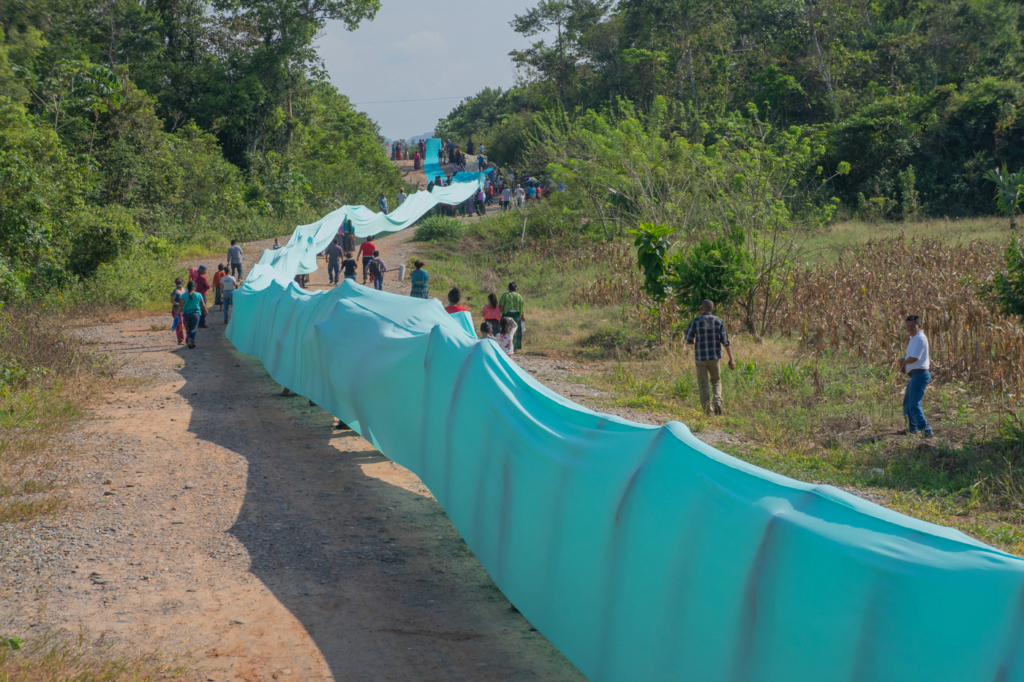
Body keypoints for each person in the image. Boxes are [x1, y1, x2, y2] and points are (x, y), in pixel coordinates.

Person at [684, 299, 736, 415]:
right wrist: (731, 359)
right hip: (714, 357)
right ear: (712, 310)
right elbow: (725, 342)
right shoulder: (719, 321)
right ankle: (717, 401)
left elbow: (688, 339)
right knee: (716, 381)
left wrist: (695, 341)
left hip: (700, 358)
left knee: (703, 384)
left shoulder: (695, 321)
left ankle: (708, 411)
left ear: (701, 309)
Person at [899, 314, 933, 438]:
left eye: (913, 326)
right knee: (907, 404)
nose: (910, 328)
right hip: (915, 375)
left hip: (920, 375)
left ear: (919, 326)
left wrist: (904, 362)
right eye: (908, 326)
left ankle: (926, 431)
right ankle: (912, 429)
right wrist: (904, 363)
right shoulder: (914, 338)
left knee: (913, 405)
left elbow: (914, 358)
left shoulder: (919, 339)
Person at [180, 280, 208, 349]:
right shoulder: (198, 295)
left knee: (189, 328)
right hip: (196, 314)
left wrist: (176, 313)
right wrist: (206, 311)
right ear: (195, 287)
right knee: (194, 329)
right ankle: (190, 340)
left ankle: (192, 342)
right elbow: (203, 305)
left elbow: (180, 305)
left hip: (186, 314)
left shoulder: (184, 295)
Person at [498, 282, 526, 351]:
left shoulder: (505, 295)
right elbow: (521, 307)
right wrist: (522, 316)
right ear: (516, 289)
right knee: (515, 331)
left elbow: (501, 305)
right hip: (516, 316)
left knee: (506, 331)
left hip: (507, 316)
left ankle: (505, 345)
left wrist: (499, 314)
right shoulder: (519, 296)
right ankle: (515, 347)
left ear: (508, 288)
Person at [170, 277, 186, 345]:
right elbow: (172, 301)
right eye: (177, 282)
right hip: (177, 310)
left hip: (185, 309)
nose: (179, 283)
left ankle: (188, 339)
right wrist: (179, 304)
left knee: (186, 324)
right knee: (179, 324)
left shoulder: (185, 290)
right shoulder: (175, 292)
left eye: (180, 282)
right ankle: (180, 340)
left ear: (183, 282)